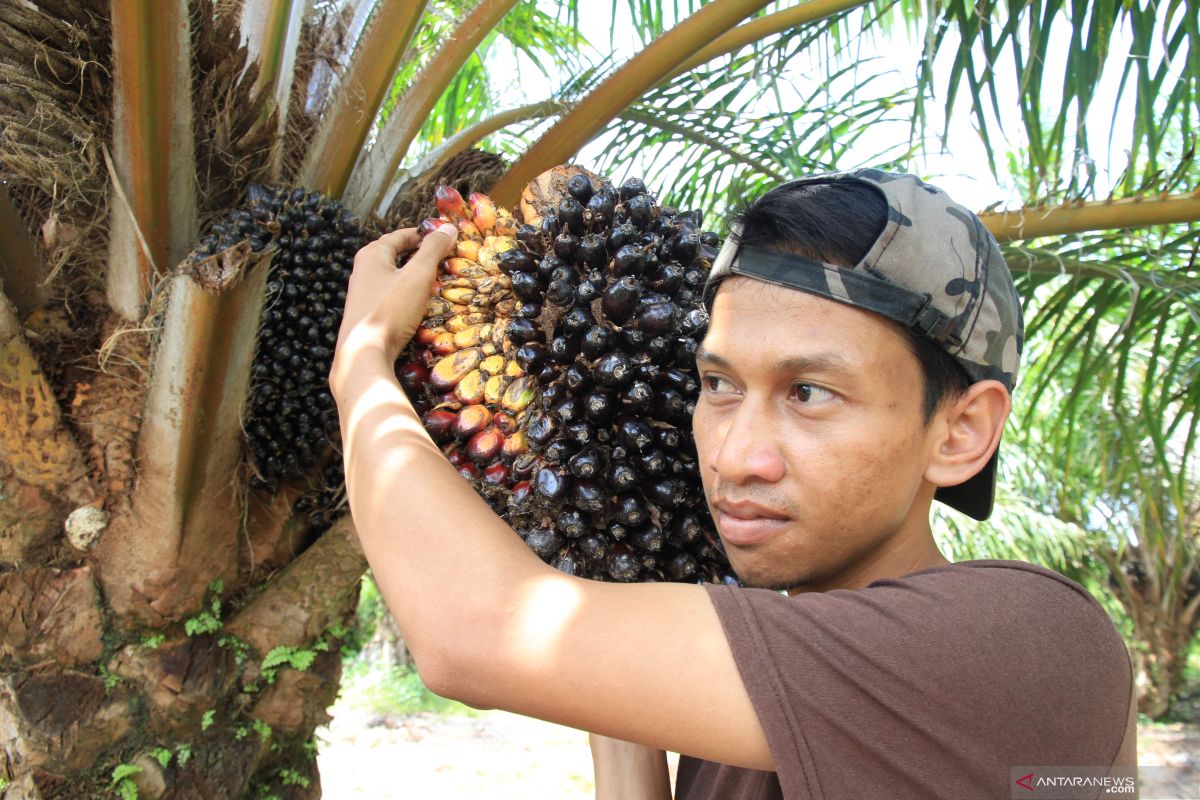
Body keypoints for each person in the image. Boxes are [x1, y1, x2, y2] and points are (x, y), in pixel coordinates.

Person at [329, 168, 1136, 799]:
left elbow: (475, 635)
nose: (735, 455)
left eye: (809, 394)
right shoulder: (755, 707)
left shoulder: (1029, 644)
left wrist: (362, 363)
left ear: (961, 432)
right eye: (718, 386)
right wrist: (618, 684)